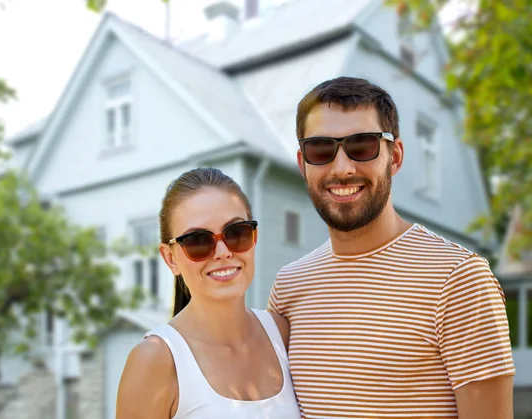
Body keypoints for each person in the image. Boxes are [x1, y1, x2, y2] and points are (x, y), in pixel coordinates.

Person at [268, 77, 515, 419]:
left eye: (363, 145)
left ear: (395, 156)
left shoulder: (459, 279)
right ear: (302, 164)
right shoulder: (289, 287)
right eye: (321, 149)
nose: (342, 168)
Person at [116, 167, 301, 419]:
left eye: (237, 232)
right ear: (170, 259)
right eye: (198, 241)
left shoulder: (284, 335)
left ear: (254, 236)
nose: (223, 252)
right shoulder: (155, 360)